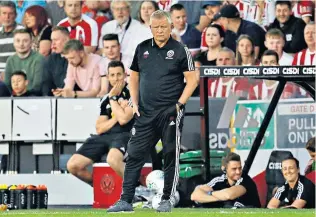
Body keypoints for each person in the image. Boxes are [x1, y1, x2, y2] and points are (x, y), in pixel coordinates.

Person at [107, 10, 197, 213]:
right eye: (155, 27)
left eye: (163, 27)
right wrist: (135, 103)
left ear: (170, 27)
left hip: (170, 112)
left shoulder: (181, 50)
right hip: (145, 113)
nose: (159, 31)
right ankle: (125, 200)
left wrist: (180, 104)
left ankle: (167, 198)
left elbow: (193, 80)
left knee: (169, 153)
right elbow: (134, 78)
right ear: (150, 28)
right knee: (134, 155)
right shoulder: (142, 49)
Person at [67, 60, 133, 185]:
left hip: (126, 134)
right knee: (73, 165)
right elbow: (100, 128)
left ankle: (136, 189)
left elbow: (124, 120)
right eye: (112, 75)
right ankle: (100, 189)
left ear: (125, 75)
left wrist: (113, 100)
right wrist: (117, 114)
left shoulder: (133, 94)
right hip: (105, 136)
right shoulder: (105, 98)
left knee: (113, 160)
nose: (116, 79)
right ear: (107, 77)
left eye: (119, 74)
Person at [191, 152, 261, 208]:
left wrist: (210, 193)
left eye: (240, 168)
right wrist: (218, 198)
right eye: (234, 169)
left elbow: (229, 195)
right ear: (224, 169)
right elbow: (195, 196)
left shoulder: (245, 179)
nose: (238, 172)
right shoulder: (219, 180)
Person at [4, 29, 44, 95]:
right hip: (14, 98)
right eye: (18, 41)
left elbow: (37, 86)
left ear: (31, 43)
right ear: (13, 43)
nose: (21, 44)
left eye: (25, 41)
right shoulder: (10, 60)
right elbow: (7, 85)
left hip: (34, 98)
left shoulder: (39, 59)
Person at [42, 26, 70, 96]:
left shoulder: (77, 58)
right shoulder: (50, 60)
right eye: (52, 40)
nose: (53, 44)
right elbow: (47, 85)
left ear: (67, 40)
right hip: (55, 100)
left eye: (56, 40)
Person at [0, 1, 24, 75]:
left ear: (16, 15)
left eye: (10, 14)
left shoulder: (22, 31)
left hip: (16, 75)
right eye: (4, 13)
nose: (7, 17)